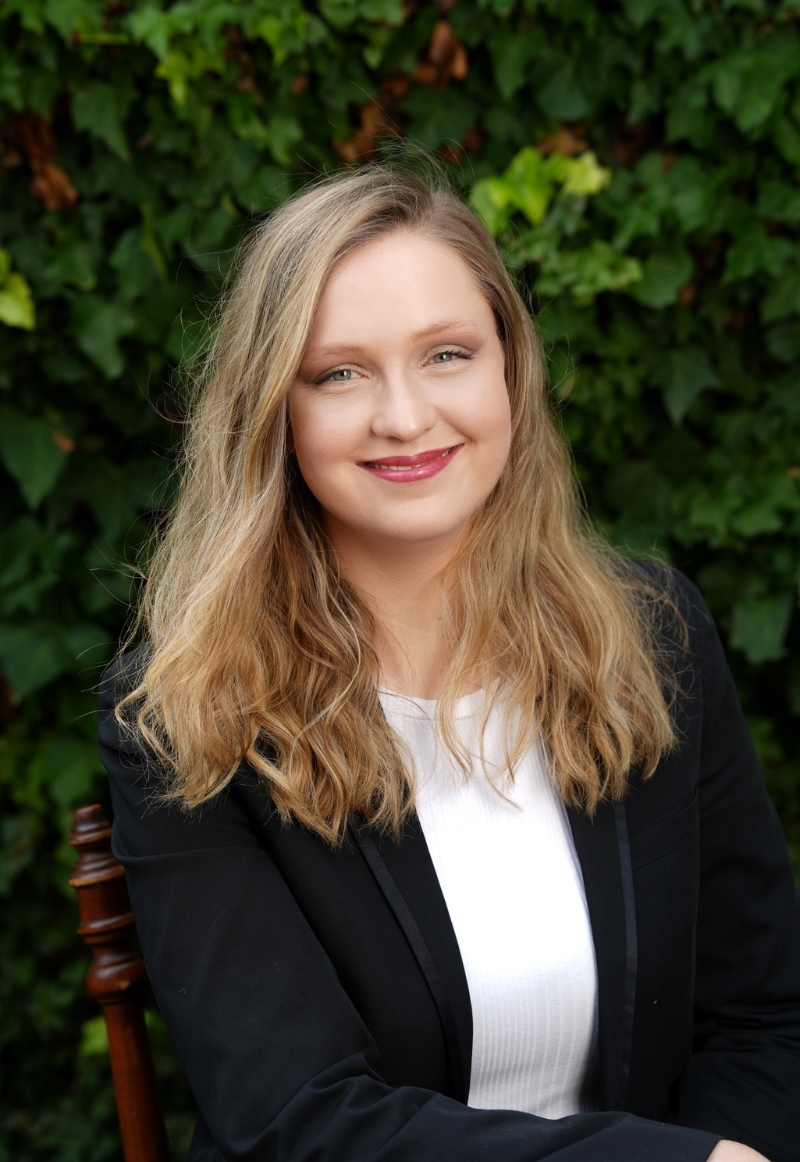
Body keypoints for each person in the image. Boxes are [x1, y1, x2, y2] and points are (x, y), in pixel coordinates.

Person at [98, 165, 800, 1162]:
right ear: (273, 412)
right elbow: (302, 1119)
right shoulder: (190, 715)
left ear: (509, 368)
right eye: (339, 374)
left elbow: (763, 1019)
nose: (404, 415)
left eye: (446, 354)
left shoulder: (650, 637)